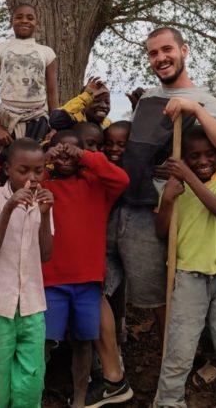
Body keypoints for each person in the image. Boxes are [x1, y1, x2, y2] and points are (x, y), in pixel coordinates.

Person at [116, 27, 216, 335]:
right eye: (153, 53)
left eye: (167, 50)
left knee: (179, 290)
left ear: (184, 51)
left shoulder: (205, 101)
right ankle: (168, 357)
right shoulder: (148, 99)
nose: (161, 58)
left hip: (180, 217)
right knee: (150, 295)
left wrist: (196, 111)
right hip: (138, 207)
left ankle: (183, 358)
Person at [154, 126, 216, 408]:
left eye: (209, 154)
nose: (203, 160)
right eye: (193, 156)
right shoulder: (174, 187)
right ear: (183, 157)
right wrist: (168, 199)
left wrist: (186, 174)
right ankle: (169, 402)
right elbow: (161, 232)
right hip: (187, 278)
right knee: (178, 353)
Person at [40, 129, 129, 408]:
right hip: (50, 280)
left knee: (83, 342)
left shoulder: (95, 186)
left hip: (87, 280)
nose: (66, 155)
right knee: (42, 342)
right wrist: (45, 159)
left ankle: (80, 399)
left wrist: (86, 156)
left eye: (72, 151)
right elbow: (25, 182)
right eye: (60, 151)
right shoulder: (44, 187)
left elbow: (121, 178)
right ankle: (31, 393)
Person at [0, 138, 54, 408]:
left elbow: (46, 255)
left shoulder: (44, 201)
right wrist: (9, 208)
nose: (32, 177)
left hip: (31, 307)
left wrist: (44, 213)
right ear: (7, 169)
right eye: (23, 170)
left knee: (30, 385)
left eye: (38, 171)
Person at [84, 120, 132, 407]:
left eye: (121, 145)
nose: (112, 150)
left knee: (104, 299)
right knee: (99, 298)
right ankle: (103, 372)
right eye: (106, 144)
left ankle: (113, 371)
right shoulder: (86, 172)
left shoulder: (120, 170)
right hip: (101, 243)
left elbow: (121, 181)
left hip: (120, 237)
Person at [0, 3, 58, 147]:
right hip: (7, 119)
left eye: (30, 18)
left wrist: (55, 125)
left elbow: (52, 91)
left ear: (36, 23)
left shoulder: (46, 52)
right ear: (11, 21)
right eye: (19, 17)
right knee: (9, 162)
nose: (24, 21)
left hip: (39, 119)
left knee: (38, 160)